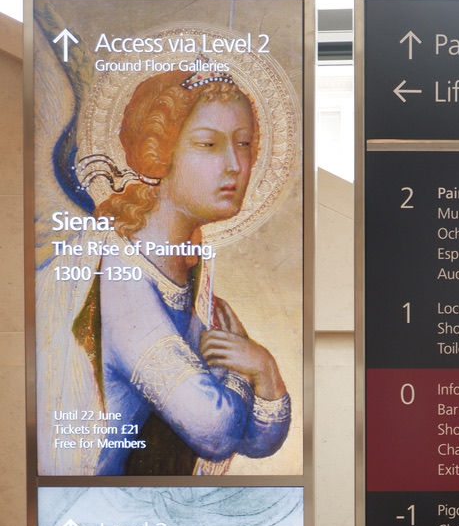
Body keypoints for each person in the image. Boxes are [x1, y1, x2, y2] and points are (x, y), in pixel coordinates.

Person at [38, 69, 290, 475]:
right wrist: (242, 369)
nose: (235, 165)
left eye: (244, 144)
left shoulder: (192, 276)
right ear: (160, 152)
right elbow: (215, 430)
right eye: (208, 144)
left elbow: (258, 441)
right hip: (92, 503)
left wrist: (265, 369)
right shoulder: (121, 271)